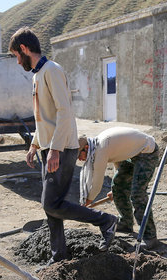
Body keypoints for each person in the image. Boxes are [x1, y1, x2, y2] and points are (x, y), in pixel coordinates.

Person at [9, 27, 118, 264]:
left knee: (51, 203)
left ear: (25, 49)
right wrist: (35, 145)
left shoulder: (52, 71)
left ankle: (105, 221)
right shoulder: (38, 75)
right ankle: (58, 256)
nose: (18, 62)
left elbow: (64, 112)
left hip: (63, 148)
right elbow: (44, 118)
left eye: (17, 56)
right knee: (52, 207)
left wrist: (55, 149)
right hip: (50, 148)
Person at [78, 127, 160, 249]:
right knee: (117, 186)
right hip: (131, 154)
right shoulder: (96, 145)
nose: (79, 159)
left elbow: (97, 182)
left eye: (79, 155)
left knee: (137, 194)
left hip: (146, 151)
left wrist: (87, 202)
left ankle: (150, 236)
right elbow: (118, 157)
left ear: (86, 148)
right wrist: (120, 186)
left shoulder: (100, 147)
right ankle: (126, 223)